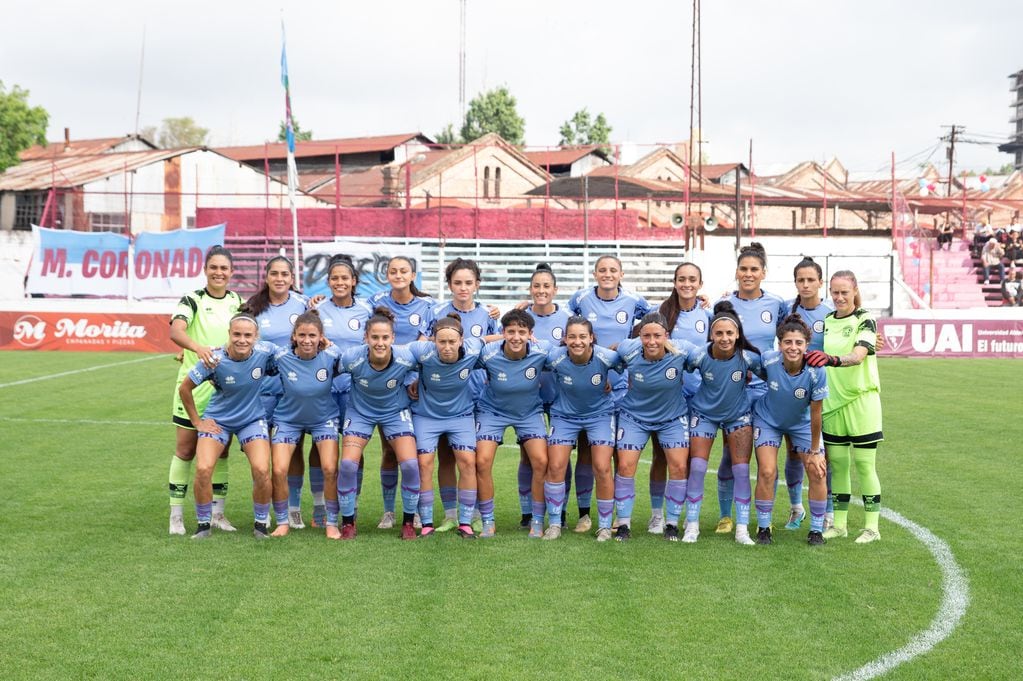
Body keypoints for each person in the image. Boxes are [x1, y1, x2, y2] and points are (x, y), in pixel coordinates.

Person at [567, 255, 653, 533]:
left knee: (618, 454)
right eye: (602, 270)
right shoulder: (579, 299)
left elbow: (655, 324)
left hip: (622, 387)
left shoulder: (634, 301)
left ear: (621, 273)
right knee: (586, 453)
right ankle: (584, 515)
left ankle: (619, 514)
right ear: (594, 273)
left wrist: (627, 343)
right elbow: (566, 325)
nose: (607, 274)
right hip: (589, 388)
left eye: (613, 270)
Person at [177, 314, 276, 539]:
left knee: (261, 470)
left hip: (252, 420)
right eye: (237, 334)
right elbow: (185, 388)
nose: (242, 339)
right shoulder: (214, 359)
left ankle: (261, 524)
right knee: (203, 469)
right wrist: (197, 421)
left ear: (256, 337)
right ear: (229, 335)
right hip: (218, 421)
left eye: (248, 335)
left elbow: (294, 353)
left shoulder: (265, 352)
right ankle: (204, 524)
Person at [167, 245, 243, 535]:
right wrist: (196, 348)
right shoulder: (193, 299)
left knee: (221, 452)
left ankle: (217, 514)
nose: (219, 272)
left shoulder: (238, 301)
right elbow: (176, 330)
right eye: (214, 267)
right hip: (193, 387)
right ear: (205, 270)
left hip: (225, 390)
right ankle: (176, 516)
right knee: (186, 450)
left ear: (232, 272)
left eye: (224, 268)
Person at [806, 270, 884, 544]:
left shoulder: (865, 319)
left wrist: (832, 359)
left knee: (864, 464)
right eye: (835, 292)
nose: (839, 297)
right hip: (832, 402)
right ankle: (840, 525)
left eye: (844, 292)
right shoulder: (827, 320)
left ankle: (872, 528)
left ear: (854, 291)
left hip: (862, 401)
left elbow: (858, 356)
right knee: (837, 466)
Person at [243, 255, 321, 529]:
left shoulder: (303, 304)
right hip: (262, 391)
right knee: (262, 454)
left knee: (295, 447)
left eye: (284, 274)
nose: (279, 278)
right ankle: (263, 508)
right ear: (266, 277)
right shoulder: (252, 307)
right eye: (274, 273)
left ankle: (293, 508)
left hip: (292, 392)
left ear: (291, 278)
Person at [423, 258, 500, 532]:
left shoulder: (488, 315)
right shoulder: (436, 312)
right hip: (444, 396)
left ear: (477, 285)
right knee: (446, 457)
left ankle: (477, 512)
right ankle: (450, 515)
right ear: (449, 285)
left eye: (468, 282)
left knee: (474, 459)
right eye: (458, 282)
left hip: (479, 394)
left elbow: (495, 348)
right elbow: (422, 347)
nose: (463, 288)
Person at [714, 243, 786, 535]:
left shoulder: (777, 304)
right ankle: (725, 515)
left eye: (754, 269)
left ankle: (766, 520)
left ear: (763, 273)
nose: (748, 274)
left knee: (767, 457)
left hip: (767, 391)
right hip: (734, 392)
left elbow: (794, 336)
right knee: (732, 456)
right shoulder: (723, 305)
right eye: (743, 269)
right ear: (736, 272)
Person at [336, 307, 421, 540]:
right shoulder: (351, 358)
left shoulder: (406, 357)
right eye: (375, 337)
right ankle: (348, 522)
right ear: (366, 338)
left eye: (385, 337)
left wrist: (416, 379)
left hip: (395, 412)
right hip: (360, 413)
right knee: (347, 465)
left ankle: (408, 523)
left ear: (393, 338)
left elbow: (432, 363)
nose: (380, 342)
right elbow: (323, 367)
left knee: (411, 465)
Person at [683, 301, 764, 545]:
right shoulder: (699, 355)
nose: (725, 338)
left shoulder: (748, 358)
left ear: (738, 334)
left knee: (741, 471)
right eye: (719, 333)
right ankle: (692, 526)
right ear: (711, 334)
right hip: (704, 414)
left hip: (738, 416)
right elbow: (679, 366)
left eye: (730, 333)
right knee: (696, 467)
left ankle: (741, 529)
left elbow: (774, 374)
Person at [366, 256, 435, 529]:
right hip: (386, 384)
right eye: (393, 271)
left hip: (415, 386)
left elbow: (425, 343)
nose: (398, 274)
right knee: (388, 451)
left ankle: (415, 510)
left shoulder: (427, 305)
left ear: (413, 274)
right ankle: (388, 511)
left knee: (414, 451)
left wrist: (415, 376)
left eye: (403, 270)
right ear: (387, 275)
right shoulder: (376, 302)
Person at [613, 312, 695, 542]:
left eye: (657, 336)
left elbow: (708, 357)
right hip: (634, 417)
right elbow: (607, 352)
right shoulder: (628, 349)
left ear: (666, 336)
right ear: (639, 336)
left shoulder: (682, 350)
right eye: (646, 335)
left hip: (672, 418)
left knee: (678, 466)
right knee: (626, 466)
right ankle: (624, 525)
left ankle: (670, 523)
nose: (651, 341)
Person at [751, 314, 829, 546]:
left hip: (802, 424)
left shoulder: (817, 372)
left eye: (798, 343)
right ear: (779, 343)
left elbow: (816, 414)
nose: (793, 347)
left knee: (817, 471)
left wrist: (815, 451)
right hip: (768, 421)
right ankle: (764, 527)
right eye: (787, 342)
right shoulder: (768, 361)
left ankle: (816, 530)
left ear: (807, 345)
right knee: (766, 471)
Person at [474, 309, 551, 538]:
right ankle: (487, 520)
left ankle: (536, 520)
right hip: (492, 411)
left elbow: (571, 358)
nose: (516, 337)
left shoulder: (542, 351)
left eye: (522, 332)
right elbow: (460, 359)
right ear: (502, 333)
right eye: (511, 332)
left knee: (541, 461)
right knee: (482, 461)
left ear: (530, 334)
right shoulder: (488, 353)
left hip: (529, 412)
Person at [406, 314, 484, 539]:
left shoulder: (473, 348)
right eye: (442, 342)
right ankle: (428, 522)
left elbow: (491, 339)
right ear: (433, 341)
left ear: (461, 340)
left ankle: (466, 522)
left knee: (468, 462)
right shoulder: (422, 351)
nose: (447, 347)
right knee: (424, 464)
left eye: (452, 341)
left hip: (461, 416)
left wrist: (532, 339)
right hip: (427, 416)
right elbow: (392, 351)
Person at [543, 317, 620, 541]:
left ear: (592, 338)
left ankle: (604, 526)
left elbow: (631, 362)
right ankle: (555, 524)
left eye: (583, 337)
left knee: (603, 467)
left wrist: (614, 384)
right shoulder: (554, 357)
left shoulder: (607, 357)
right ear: (565, 339)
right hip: (564, 416)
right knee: (556, 466)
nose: (578, 342)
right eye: (572, 337)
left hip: (599, 416)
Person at [647, 262, 711, 534]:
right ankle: (657, 515)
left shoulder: (708, 314)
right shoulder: (662, 313)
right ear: (674, 282)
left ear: (700, 284)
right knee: (660, 457)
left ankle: (687, 515)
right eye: (682, 279)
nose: (687, 284)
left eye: (692, 279)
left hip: (698, 396)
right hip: (666, 395)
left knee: (690, 461)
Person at [267, 311, 343, 539]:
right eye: (302, 335)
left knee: (330, 468)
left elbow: (346, 357)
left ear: (321, 337)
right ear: (293, 336)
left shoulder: (332, 356)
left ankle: (331, 522)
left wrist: (332, 346)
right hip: (287, 420)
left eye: (312, 335)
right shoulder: (280, 357)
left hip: (324, 419)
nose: (307, 340)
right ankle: (282, 522)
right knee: (279, 470)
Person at [315, 256, 373, 518]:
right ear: (328, 282)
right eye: (334, 278)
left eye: (344, 278)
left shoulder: (366, 309)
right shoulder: (316, 310)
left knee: (353, 446)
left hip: (356, 388)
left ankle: (353, 504)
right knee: (320, 446)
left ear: (354, 281)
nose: (340, 282)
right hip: (323, 388)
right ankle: (319, 506)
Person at [779, 257, 833, 530]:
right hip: (792, 392)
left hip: (826, 392)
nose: (806, 284)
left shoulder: (831, 313)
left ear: (820, 282)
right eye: (801, 280)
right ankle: (796, 507)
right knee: (793, 452)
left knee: (824, 453)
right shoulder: (787, 310)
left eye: (811, 279)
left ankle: (828, 512)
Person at [518, 263, 570, 530]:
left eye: (546, 286)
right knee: (529, 456)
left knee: (561, 456)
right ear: (530, 289)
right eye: (536, 286)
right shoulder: (520, 317)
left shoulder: (568, 318)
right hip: (530, 399)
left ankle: (560, 510)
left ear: (555, 290)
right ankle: (528, 512)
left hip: (562, 396)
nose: (541, 290)